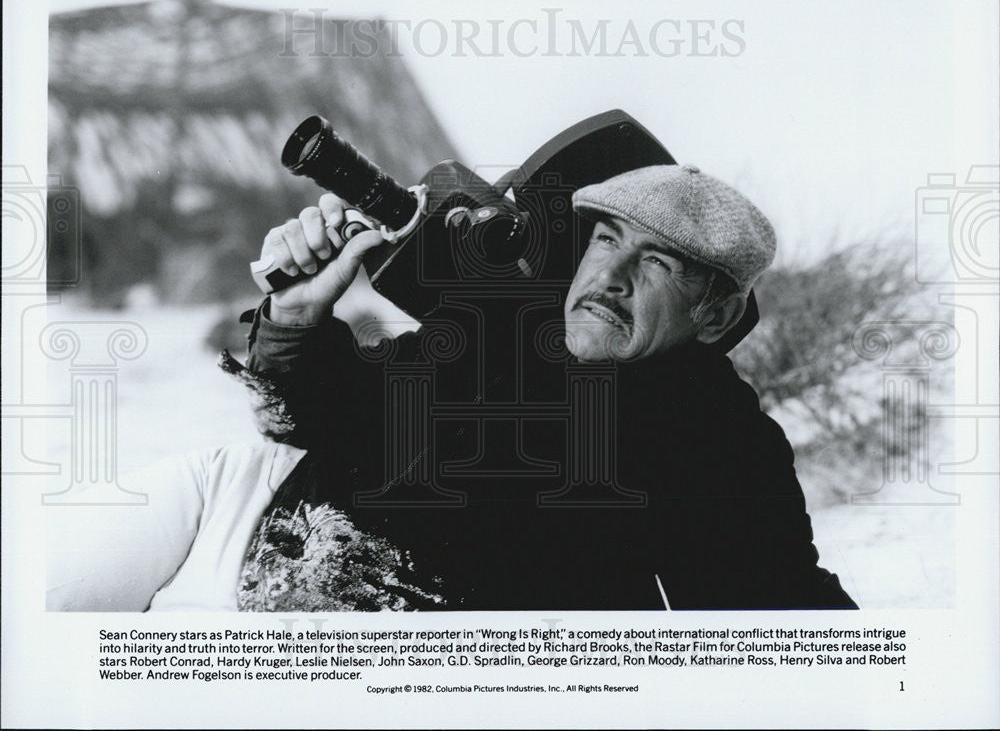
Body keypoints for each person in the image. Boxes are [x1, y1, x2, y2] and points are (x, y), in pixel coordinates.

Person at [45, 163, 857, 612]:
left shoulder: (717, 443)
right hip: (238, 504)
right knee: (43, 608)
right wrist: (294, 317)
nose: (607, 276)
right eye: (605, 239)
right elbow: (334, 413)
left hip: (363, 636)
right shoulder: (506, 322)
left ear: (714, 315)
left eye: (657, 265)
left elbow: (775, 609)